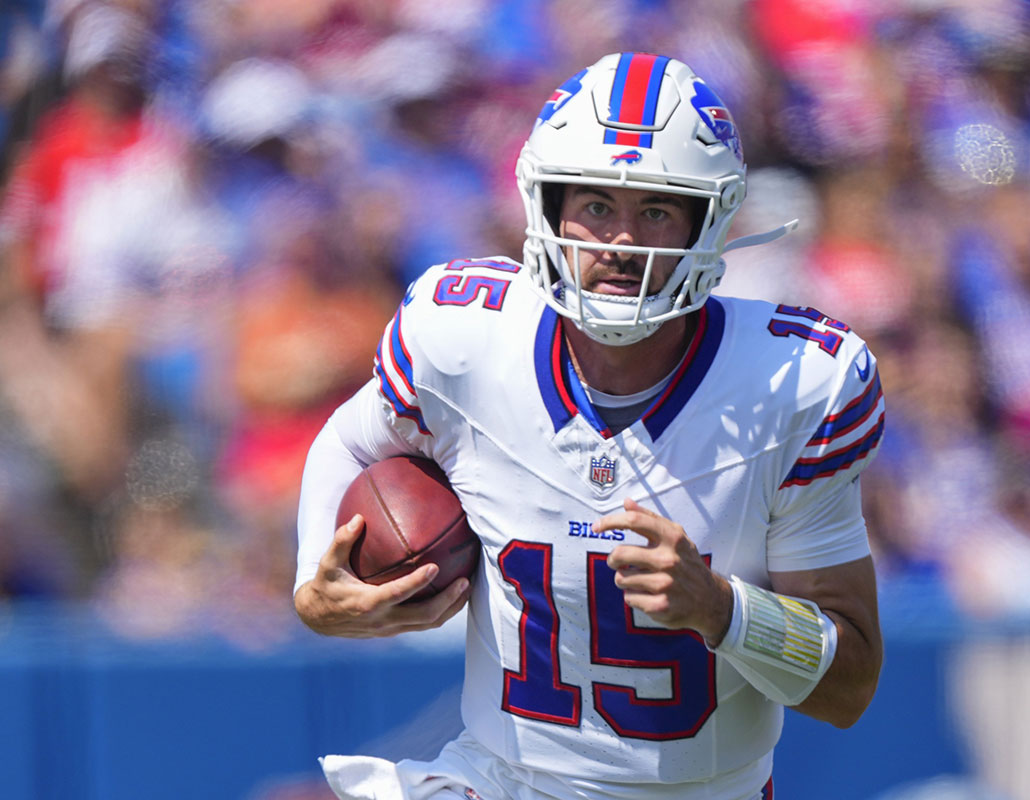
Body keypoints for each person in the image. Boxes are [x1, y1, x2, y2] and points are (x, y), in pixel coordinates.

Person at [294, 52, 885, 800]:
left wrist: (722, 609)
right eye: (597, 206)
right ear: (548, 207)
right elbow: (352, 438)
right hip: (498, 779)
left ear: (709, 222)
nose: (622, 242)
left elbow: (850, 684)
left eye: (657, 210)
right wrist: (313, 580)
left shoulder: (794, 385)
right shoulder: (463, 336)